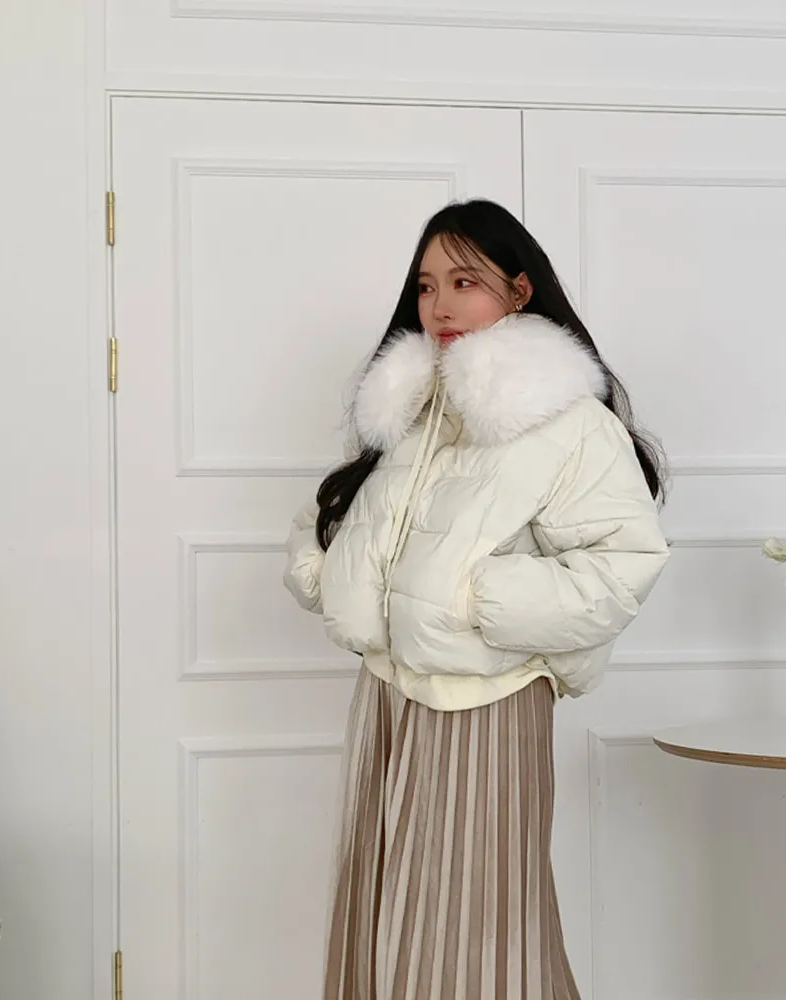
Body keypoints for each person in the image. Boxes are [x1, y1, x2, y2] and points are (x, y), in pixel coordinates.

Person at [284, 198, 670, 1000]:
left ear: (519, 291)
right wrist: (333, 580)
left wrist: (469, 597)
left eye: (466, 282)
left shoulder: (568, 424)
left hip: (486, 704)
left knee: (477, 935)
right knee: (380, 917)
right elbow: (335, 524)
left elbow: (621, 566)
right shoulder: (413, 412)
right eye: (427, 286)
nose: (440, 306)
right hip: (386, 697)